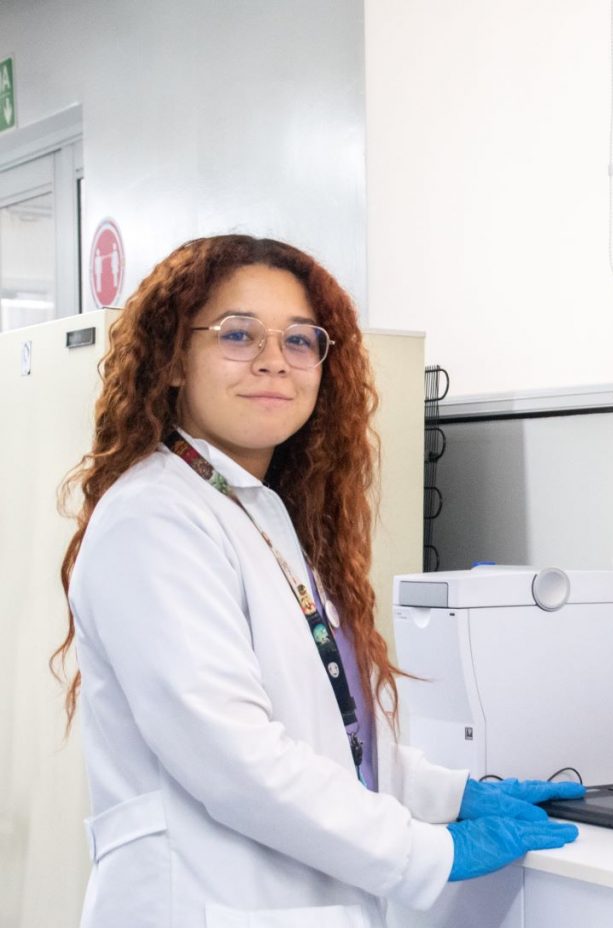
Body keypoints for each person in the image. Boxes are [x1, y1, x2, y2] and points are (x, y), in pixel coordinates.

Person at [52, 234, 584, 928]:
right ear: (174, 359)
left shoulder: (254, 508)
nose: (274, 361)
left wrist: (446, 795)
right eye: (237, 334)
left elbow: (330, 734)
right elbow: (236, 760)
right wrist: (425, 853)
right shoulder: (156, 519)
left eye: (301, 340)